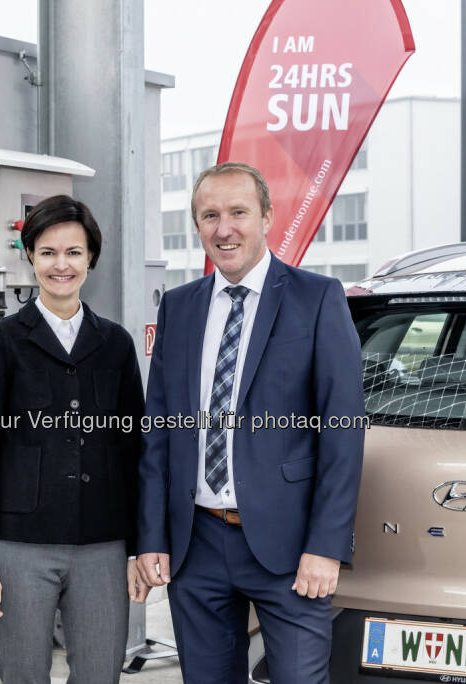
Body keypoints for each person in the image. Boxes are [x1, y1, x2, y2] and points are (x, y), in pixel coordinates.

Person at [137, 162, 364, 683]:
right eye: (209, 216)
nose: (224, 228)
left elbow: (343, 431)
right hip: (196, 547)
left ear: (266, 216)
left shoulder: (317, 298)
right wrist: (152, 536)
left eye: (238, 212)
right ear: (197, 226)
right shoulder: (179, 307)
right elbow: (158, 435)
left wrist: (326, 547)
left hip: (288, 551)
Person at [0, 195, 148, 684]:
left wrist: (136, 548)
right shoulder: (0, 343)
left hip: (103, 546)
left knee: (101, 675)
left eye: (73, 252)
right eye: (47, 252)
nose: (60, 265)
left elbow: (133, 454)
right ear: (30, 257)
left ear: (91, 259)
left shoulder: (117, 344)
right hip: (21, 547)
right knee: (23, 674)